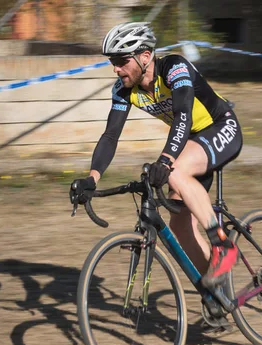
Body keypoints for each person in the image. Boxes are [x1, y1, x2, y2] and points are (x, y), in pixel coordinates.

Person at [70, 22, 243, 289]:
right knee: (180, 224)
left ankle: (223, 244)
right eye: (112, 61)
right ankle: (217, 291)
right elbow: (110, 136)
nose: (116, 68)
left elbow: (182, 115)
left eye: (121, 60)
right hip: (192, 141)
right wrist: (92, 178)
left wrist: (166, 160)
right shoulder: (124, 89)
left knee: (176, 172)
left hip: (221, 126)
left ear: (145, 56)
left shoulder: (174, 68)